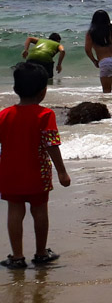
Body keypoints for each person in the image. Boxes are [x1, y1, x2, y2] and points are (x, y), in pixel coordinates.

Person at [0, 62, 71, 268]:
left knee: (15, 211)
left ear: (15, 90)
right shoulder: (45, 115)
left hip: (9, 173)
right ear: (43, 92)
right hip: (37, 173)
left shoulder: (4, 115)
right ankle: (41, 253)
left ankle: (17, 256)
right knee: (39, 211)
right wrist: (62, 172)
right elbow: (51, 145)